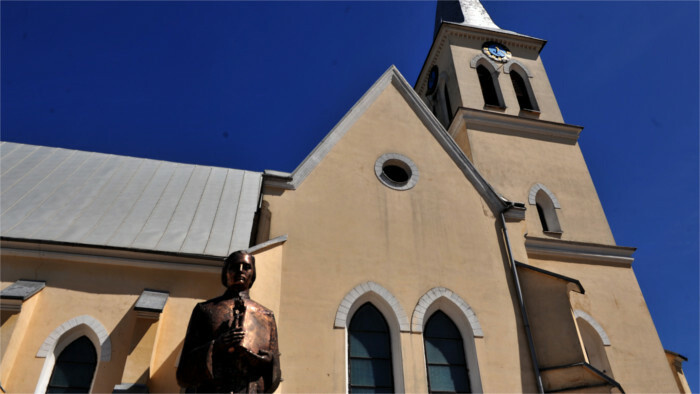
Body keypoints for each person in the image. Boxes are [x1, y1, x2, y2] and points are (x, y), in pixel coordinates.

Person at [177, 251, 281, 393]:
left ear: (253, 273)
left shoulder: (266, 316)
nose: (240, 271)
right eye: (234, 266)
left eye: (246, 267)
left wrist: (267, 362)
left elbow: (275, 370)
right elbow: (184, 370)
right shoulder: (205, 310)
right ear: (225, 273)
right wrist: (217, 345)